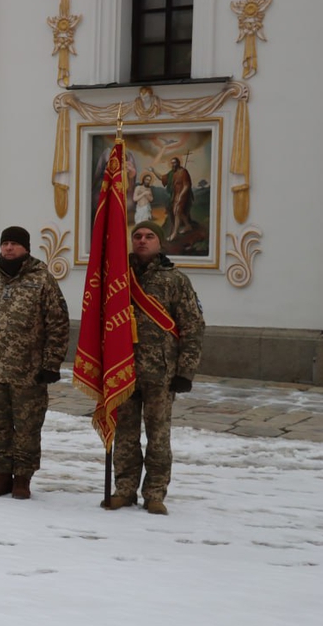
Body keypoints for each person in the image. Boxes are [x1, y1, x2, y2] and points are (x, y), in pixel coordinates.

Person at [104, 221, 205, 515]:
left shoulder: (176, 281)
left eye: (149, 237)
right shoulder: (118, 278)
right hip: (123, 370)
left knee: (159, 436)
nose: (143, 241)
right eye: (137, 236)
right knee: (124, 435)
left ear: (160, 243)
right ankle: (124, 489)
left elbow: (193, 326)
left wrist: (186, 371)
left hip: (161, 373)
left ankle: (155, 493)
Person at [0, 226, 69, 500]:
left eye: (15, 244)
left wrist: (51, 363)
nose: (9, 248)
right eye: (5, 243)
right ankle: (1, 474)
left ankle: (23, 477)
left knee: (27, 426)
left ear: (26, 248)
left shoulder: (42, 280)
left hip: (29, 372)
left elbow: (57, 324)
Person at [149, 157, 194, 239]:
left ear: (178, 163)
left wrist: (181, 196)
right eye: (172, 163)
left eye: (175, 163)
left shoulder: (183, 172)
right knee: (179, 211)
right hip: (175, 195)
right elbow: (161, 177)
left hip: (183, 194)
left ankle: (174, 234)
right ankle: (188, 226)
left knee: (176, 211)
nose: (173, 164)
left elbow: (187, 185)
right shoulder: (171, 173)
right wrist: (153, 171)